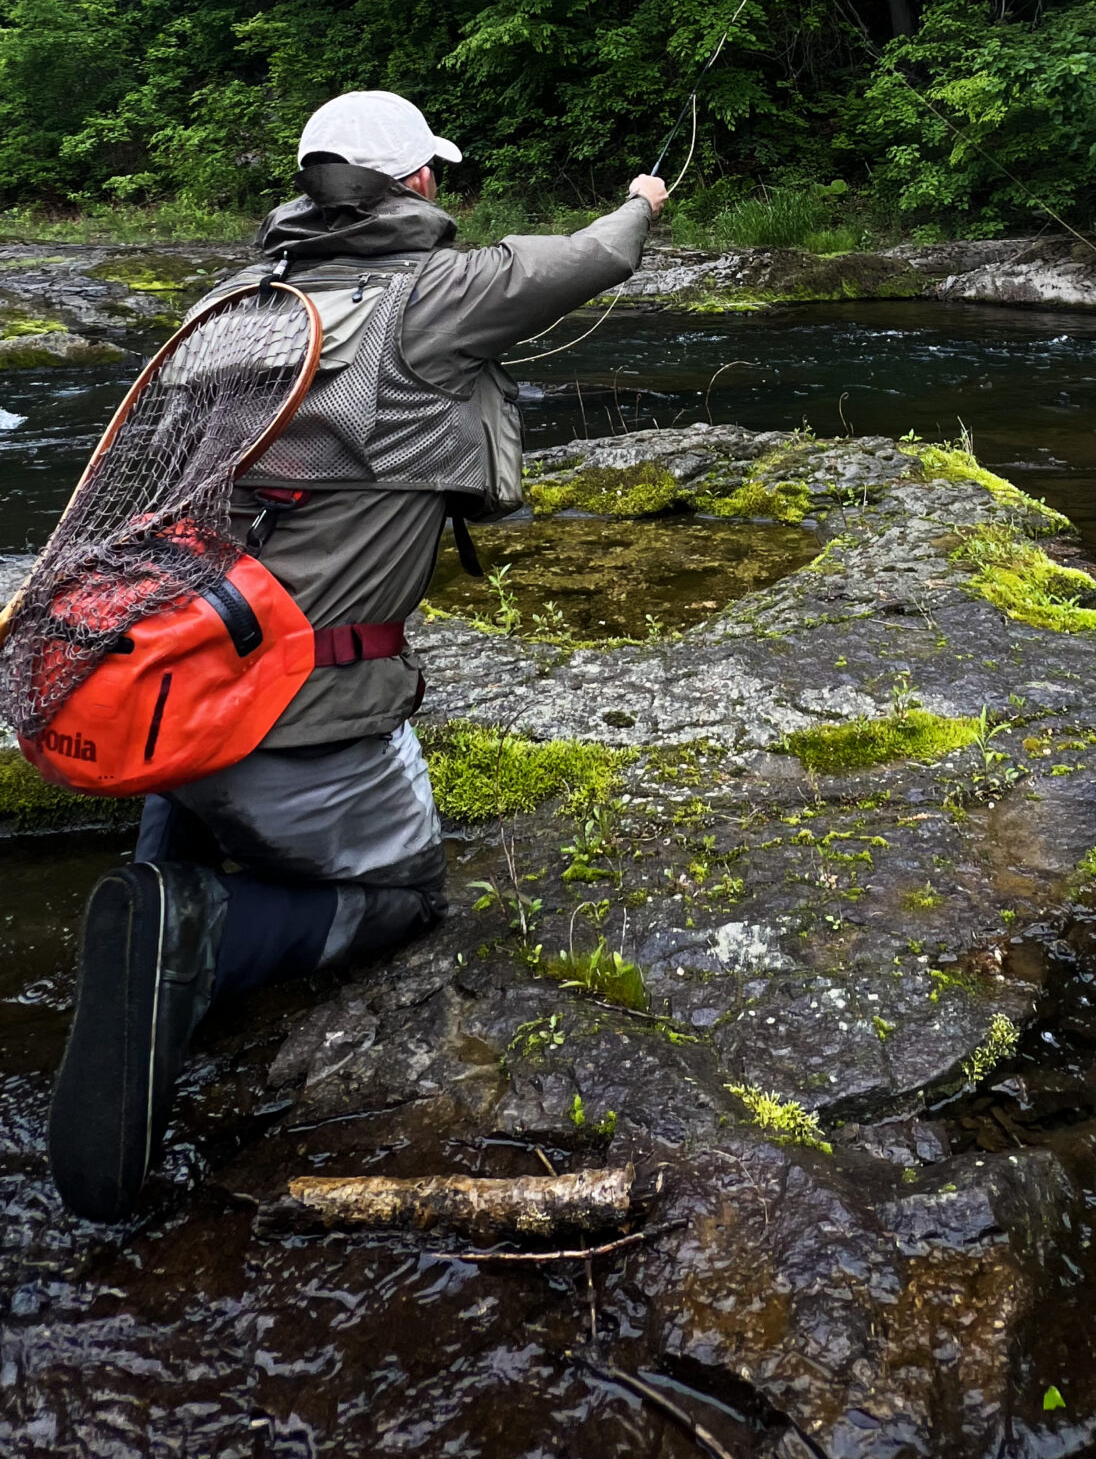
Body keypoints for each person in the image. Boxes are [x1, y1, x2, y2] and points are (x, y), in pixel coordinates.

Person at [47, 90, 668, 1220]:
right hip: (300, 711)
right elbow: (591, 257)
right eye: (435, 174)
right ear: (417, 185)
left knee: (224, 695)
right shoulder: (433, 296)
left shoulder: (230, 307)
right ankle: (193, 927)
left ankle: (165, 858)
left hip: (172, 693)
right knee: (400, 893)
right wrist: (642, 199)